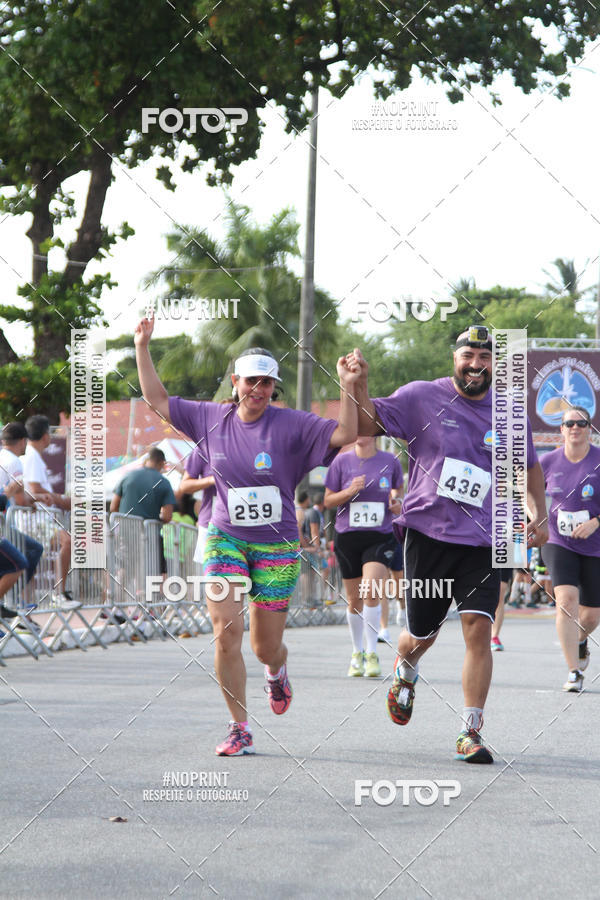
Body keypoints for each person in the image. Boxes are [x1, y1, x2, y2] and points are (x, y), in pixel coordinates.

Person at [135, 314, 360, 756]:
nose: (257, 391)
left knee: (264, 646)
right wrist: (143, 346)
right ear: (235, 382)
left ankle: (277, 671)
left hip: (276, 544)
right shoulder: (209, 418)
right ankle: (239, 726)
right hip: (226, 538)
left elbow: (347, 432)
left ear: (274, 388)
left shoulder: (292, 423)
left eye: (266, 384)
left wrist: (348, 386)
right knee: (225, 632)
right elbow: (157, 400)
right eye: (250, 382)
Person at [347, 328, 548, 763]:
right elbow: (366, 423)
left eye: (485, 356)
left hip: (488, 537)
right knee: (422, 633)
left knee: (478, 628)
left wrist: (539, 513)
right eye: (468, 354)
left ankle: (469, 731)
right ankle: (406, 666)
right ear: (454, 358)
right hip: (429, 535)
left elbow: (529, 466)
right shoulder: (422, 397)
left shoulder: (511, 412)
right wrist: (356, 386)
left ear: (495, 364)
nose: (476, 363)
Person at [324, 436, 403, 677]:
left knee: (371, 590)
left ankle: (372, 652)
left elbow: (397, 492)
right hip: (347, 536)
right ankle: (356, 652)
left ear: (374, 433)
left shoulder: (390, 461)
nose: (359, 433)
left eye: (364, 428)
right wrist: (349, 491)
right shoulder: (340, 462)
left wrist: (397, 502)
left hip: (379, 535)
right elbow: (328, 500)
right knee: (354, 599)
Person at [540, 406, 600, 692]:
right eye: (569, 424)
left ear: (589, 427)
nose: (575, 427)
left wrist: (596, 521)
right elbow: (527, 493)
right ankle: (573, 672)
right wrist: (531, 520)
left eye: (581, 423)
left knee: (590, 617)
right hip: (558, 541)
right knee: (565, 600)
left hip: (595, 546)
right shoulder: (547, 461)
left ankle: (579, 641)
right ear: (561, 429)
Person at [22, 415, 76, 610]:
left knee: (31, 562)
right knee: (67, 541)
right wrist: (61, 499)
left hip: (37, 518)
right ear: (45, 436)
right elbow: (35, 488)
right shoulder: (32, 456)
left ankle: (26, 604)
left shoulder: (32, 455)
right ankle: (59, 593)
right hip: (35, 519)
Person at [110, 446, 176, 578]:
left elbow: (113, 507)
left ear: (147, 459)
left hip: (125, 531)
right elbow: (168, 516)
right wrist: (156, 519)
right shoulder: (164, 482)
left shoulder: (128, 476)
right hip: (150, 534)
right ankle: (150, 597)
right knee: (153, 569)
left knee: (125, 568)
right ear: (162, 463)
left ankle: (118, 597)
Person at [179, 446, 217, 569]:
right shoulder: (204, 447)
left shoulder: (254, 440)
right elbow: (184, 485)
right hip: (212, 526)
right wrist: (211, 480)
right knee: (216, 579)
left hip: (253, 526)